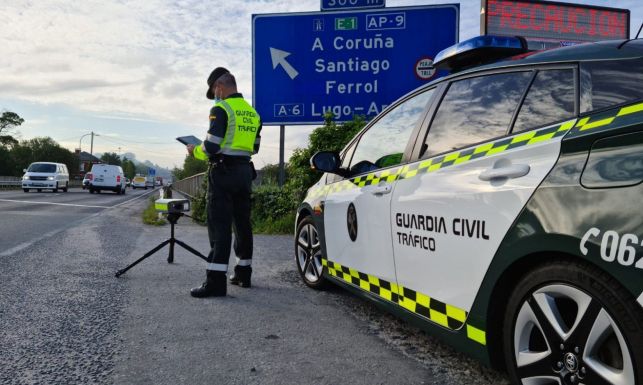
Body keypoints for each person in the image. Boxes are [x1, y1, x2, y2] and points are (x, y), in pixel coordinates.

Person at [186, 67, 262, 297]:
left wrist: (194, 151)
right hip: (245, 173)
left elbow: (211, 146)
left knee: (219, 226)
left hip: (222, 172)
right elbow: (255, 148)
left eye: (214, 90)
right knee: (242, 224)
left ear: (219, 86)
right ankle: (243, 273)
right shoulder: (253, 113)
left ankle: (215, 282)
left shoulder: (220, 108)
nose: (215, 95)